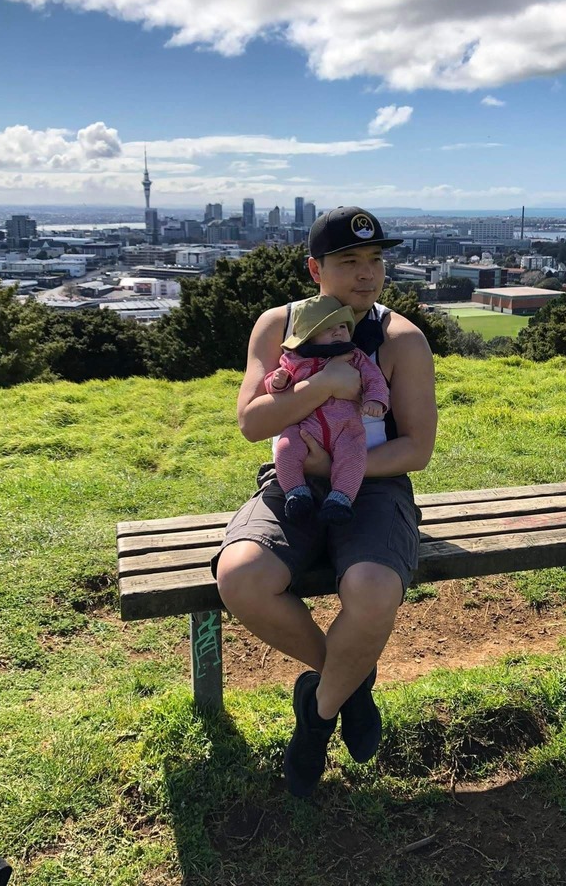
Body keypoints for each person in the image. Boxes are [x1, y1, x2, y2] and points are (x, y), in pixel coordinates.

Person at [213, 205, 437, 797]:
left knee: (373, 589)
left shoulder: (400, 339)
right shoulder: (277, 325)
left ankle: (317, 716)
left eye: (375, 260)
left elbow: (416, 449)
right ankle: (350, 680)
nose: (367, 274)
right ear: (315, 270)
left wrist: (338, 468)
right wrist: (322, 386)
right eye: (348, 261)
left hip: (375, 485)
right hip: (292, 484)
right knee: (241, 576)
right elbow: (252, 422)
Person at [264, 294, 390, 525]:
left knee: (354, 457)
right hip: (304, 427)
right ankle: (296, 494)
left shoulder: (355, 357)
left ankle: (340, 500)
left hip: (346, 428)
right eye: (328, 328)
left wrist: (375, 400)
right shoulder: (293, 360)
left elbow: (375, 379)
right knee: (285, 448)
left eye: (342, 326)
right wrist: (277, 381)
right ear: (309, 336)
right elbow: (274, 385)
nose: (338, 332)